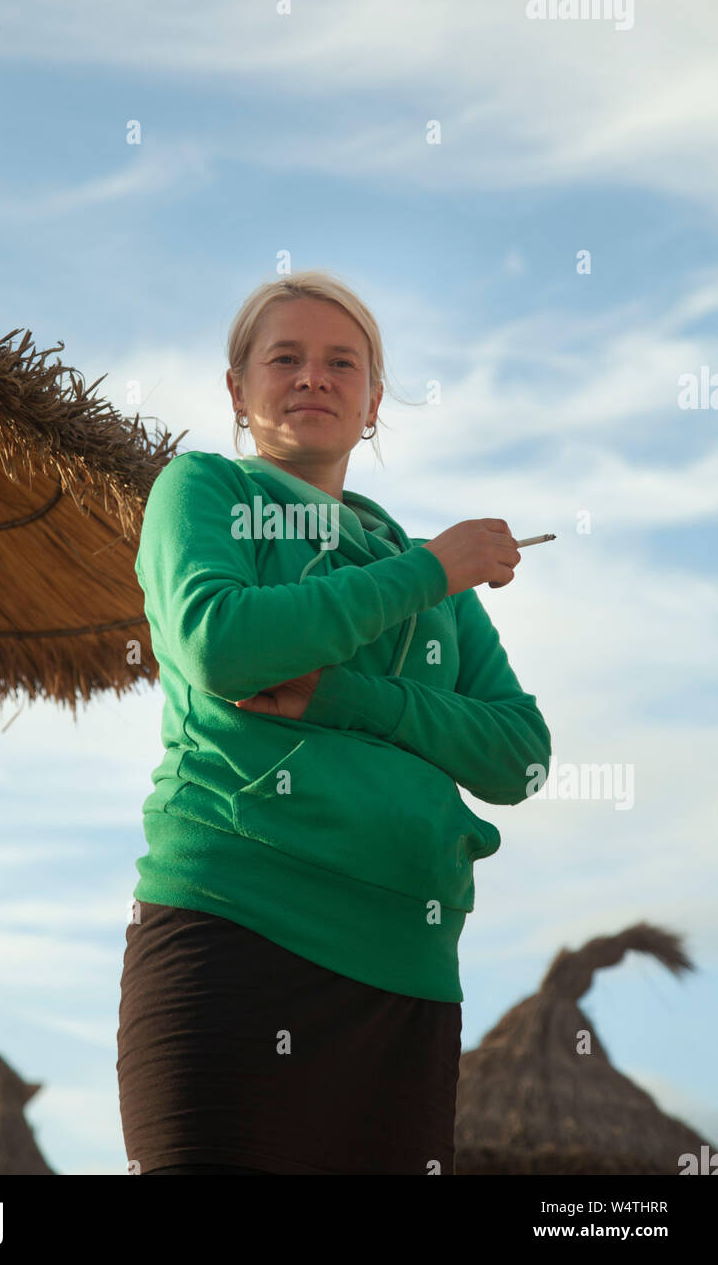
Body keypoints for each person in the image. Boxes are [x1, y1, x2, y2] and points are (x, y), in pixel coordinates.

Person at [116, 270, 552, 1175]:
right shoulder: (197, 492)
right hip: (230, 929)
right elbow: (222, 643)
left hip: (409, 973)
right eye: (286, 358)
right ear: (237, 389)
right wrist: (431, 573)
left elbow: (522, 756)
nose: (314, 377)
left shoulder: (428, 567)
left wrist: (353, 698)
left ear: (374, 404)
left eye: (342, 363)